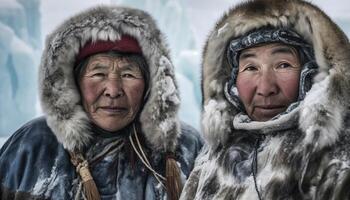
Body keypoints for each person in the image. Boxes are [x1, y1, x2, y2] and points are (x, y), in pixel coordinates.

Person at [0, 6, 203, 200]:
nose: (113, 91)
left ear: (151, 85)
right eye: (98, 73)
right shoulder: (32, 146)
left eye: (128, 74)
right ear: (72, 83)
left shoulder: (185, 148)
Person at [180, 0, 350, 199]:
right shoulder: (212, 157)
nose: (265, 88)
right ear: (231, 79)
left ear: (314, 74)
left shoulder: (337, 159)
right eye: (251, 68)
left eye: (283, 65)